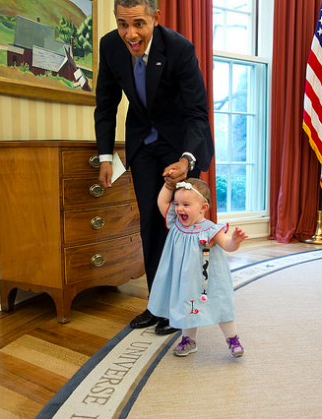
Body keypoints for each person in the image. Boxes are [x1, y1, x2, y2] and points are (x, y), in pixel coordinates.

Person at [94, 0, 214, 335]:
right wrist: (106, 157)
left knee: (181, 224)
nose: (130, 34)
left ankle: (183, 307)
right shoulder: (110, 46)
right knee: (151, 221)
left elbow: (196, 112)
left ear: (155, 19)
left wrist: (187, 159)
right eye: (122, 24)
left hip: (181, 144)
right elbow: (105, 105)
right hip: (143, 146)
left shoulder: (179, 48)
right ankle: (158, 304)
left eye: (138, 24)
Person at [147, 177, 248, 358]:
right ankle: (189, 340)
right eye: (177, 203)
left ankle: (233, 339)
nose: (179, 209)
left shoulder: (210, 229)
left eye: (186, 204)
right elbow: (162, 202)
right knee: (188, 306)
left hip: (207, 280)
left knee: (220, 306)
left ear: (203, 208)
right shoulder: (176, 224)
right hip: (185, 279)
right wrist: (168, 186)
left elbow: (227, 245)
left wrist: (235, 241)